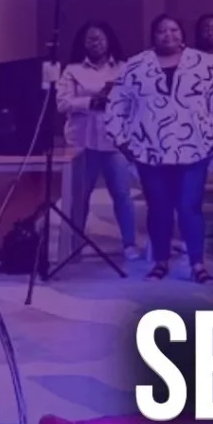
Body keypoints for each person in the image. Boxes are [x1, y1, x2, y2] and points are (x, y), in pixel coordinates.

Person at [106, 14, 213, 283]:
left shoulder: (202, 62)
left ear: (182, 33)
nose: (168, 35)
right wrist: (122, 140)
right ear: (153, 36)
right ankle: (160, 262)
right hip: (149, 150)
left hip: (195, 148)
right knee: (159, 207)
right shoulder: (136, 65)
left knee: (189, 206)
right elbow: (117, 104)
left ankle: (197, 264)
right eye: (162, 31)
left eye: (174, 29)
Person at [55, 21, 139, 260]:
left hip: (114, 142)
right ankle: (74, 244)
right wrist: (91, 102)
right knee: (80, 197)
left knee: (122, 195)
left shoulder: (123, 68)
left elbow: (135, 102)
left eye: (100, 38)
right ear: (83, 43)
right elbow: (62, 103)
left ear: (109, 40)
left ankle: (129, 244)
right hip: (82, 143)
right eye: (91, 39)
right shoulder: (72, 70)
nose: (96, 43)